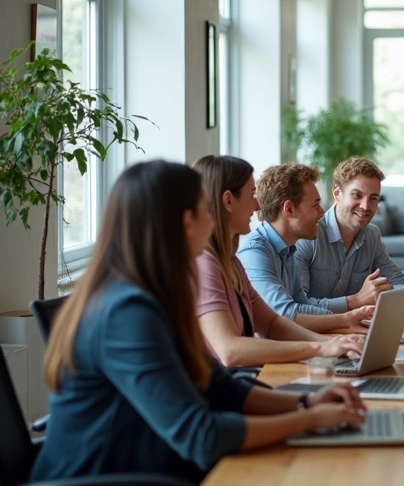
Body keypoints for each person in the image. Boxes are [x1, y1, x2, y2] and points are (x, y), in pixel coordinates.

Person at [31, 160, 368, 484]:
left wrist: (307, 402)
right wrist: (307, 420)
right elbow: (201, 435)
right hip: (113, 476)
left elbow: (218, 385)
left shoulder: (157, 296)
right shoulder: (126, 312)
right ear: (184, 223)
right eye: (205, 211)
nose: (212, 222)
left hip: (152, 465)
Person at [193, 155, 366, 368]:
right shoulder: (206, 264)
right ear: (228, 201)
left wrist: (334, 342)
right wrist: (322, 347)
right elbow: (230, 352)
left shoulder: (231, 263)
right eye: (251, 195)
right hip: (231, 385)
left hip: (243, 379)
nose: (257, 206)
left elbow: (271, 323)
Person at [237, 163, 371, 333]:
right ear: (289, 209)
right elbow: (284, 313)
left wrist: (352, 318)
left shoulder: (288, 249)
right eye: (315, 205)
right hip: (267, 357)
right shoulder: (253, 252)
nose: (322, 212)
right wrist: (345, 320)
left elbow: (302, 304)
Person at [295, 157, 404, 312]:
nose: (365, 206)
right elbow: (298, 306)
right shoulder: (308, 235)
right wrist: (357, 300)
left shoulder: (372, 235)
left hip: (355, 329)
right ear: (337, 193)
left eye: (373, 198)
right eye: (357, 195)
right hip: (314, 333)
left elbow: (399, 282)